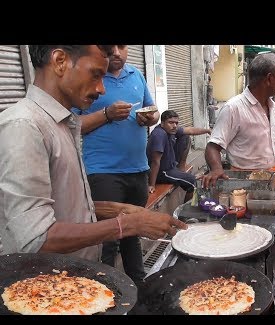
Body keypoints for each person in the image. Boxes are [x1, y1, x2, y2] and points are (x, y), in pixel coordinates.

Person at [0, 45, 186, 276]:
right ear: (60, 61)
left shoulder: (62, 124)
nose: (101, 89)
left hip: (73, 283)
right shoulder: (24, 127)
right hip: (48, 293)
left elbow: (63, 207)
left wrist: (116, 210)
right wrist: (127, 225)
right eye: (96, 75)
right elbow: (36, 239)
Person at [73, 45, 162, 284]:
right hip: (103, 173)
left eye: (122, 46)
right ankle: (105, 290)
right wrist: (106, 114)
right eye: (111, 47)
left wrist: (149, 118)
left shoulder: (136, 75)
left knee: (133, 231)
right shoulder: (90, 77)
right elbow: (72, 125)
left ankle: (139, 287)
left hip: (138, 169)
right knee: (107, 239)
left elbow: (153, 112)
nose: (117, 53)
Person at [203, 52, 275, 188]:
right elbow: (212, 147)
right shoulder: (233, 108)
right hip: (247, 182)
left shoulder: (273, 106)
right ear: (269, 79)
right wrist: (217, 169)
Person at [147, 109, 211, 203]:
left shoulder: (170, 130)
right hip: (163, 172)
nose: (174, 126)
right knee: (192, 182)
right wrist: (152, 184)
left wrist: (207, 130)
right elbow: (155, 161)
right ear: (162, 123)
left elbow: (190, 130)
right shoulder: (159, 135)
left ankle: (180, 169)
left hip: (170, 165)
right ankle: (186, 212)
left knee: (185, 136)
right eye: (171, 123)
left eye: (176, 123)